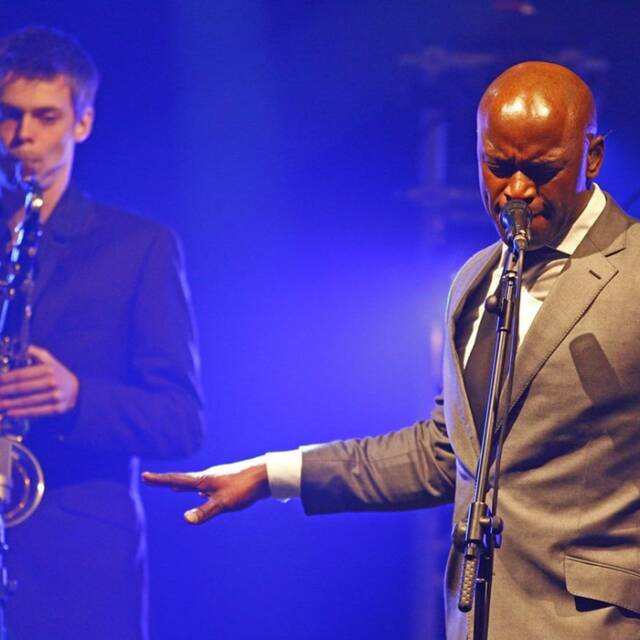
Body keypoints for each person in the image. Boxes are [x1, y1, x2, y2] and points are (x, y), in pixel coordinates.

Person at [144, 60, 640, 639]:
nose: (518, 190)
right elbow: (445, 454)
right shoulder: (475, 280)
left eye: (542, 169)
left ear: (592, 157)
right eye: (498, 166)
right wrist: (273, 475)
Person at [0, 26, 204, 639]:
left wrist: (77, 397)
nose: (22, 135)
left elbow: (181, 421)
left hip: (77, 558)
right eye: (9, 115)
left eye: (46, 117)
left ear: (82, 123)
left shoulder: (138, 247)